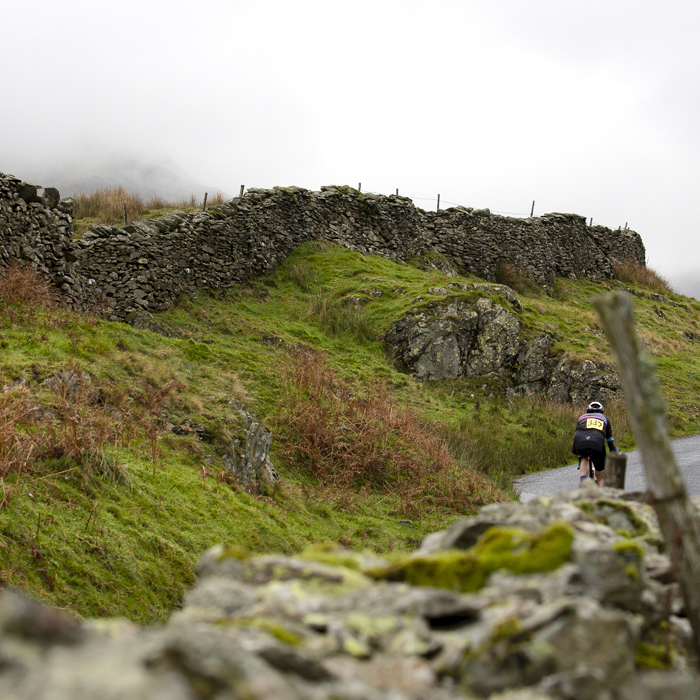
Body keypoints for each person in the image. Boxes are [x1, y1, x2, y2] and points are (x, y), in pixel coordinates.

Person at [571, 401, 619, 487]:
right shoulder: (604, 418)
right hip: (597, 443)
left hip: (580, 441)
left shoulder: (581, 418)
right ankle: (601, 496)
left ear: (587, 411)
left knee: (585, 458)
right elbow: (610, 441)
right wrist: (614, 451)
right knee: (601, 476)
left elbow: (577, 433)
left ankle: (583, 481)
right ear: (602, 411)